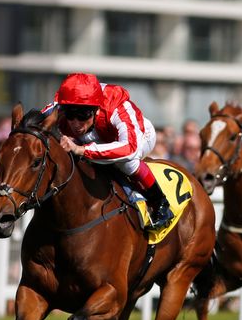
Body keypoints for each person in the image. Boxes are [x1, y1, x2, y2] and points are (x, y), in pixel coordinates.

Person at [43, 73, 174, 229]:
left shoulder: (118, 108)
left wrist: (81, 149)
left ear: (96, 109)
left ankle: (160, 202)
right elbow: (35, 121)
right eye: (71, 115)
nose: (76, 123)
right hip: (94, 137)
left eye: (82, 115)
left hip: (139, 137)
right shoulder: (64, 102)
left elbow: (129, 149)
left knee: (126, 163)